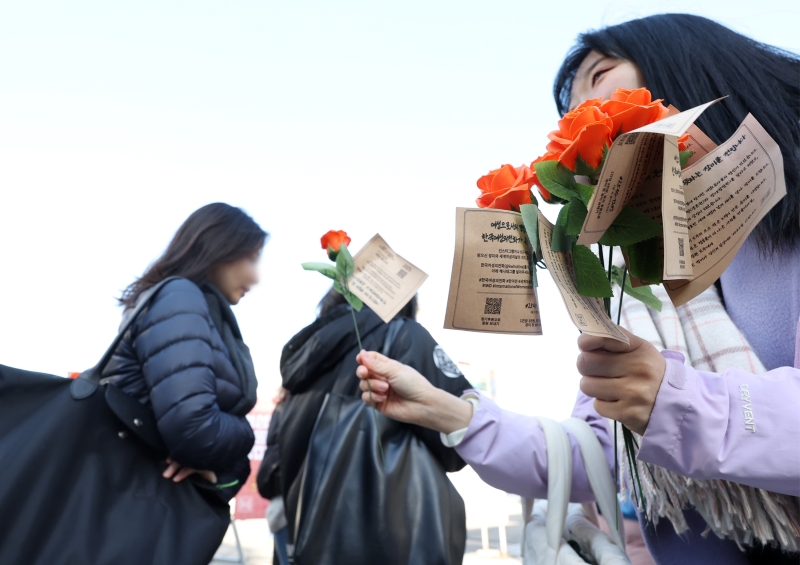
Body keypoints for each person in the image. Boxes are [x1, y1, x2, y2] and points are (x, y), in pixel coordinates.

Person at [355, 14, 800, 565]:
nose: (577, 113)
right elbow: (594, 454)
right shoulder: (634, 279)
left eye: (599, 74)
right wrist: (451, 413)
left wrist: (675, 402)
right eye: (569, 110)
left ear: (686, 59)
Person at [262, 288, 472, 564]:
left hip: (305, 542)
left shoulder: (302, 361)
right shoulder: (404, 337)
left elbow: (274, 472)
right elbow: (458, 443)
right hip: (387, 542)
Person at [106, 202, 267, 497]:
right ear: (221, 248)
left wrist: (223, 468)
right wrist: (246, 435)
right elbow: (194, 430)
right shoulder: (179, 297)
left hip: (148, 496)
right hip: (144, 499)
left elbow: (203, 439)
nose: (255, 278)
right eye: (251, 258)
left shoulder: (190, 305)